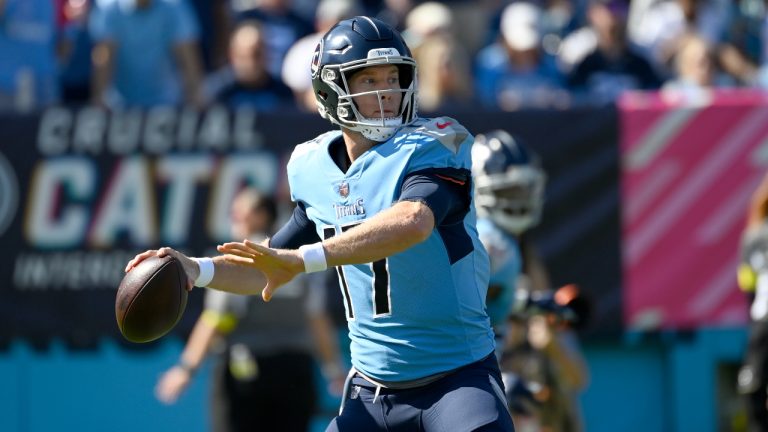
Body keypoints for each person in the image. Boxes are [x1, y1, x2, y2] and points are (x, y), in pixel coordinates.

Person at [126, 16, 514, 432]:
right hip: (371, 391)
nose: (387, 93)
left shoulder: (434, 144)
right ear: (331, 90)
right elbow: (268, 264)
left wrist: (306, 259)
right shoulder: (313, 168)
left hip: (456, 380)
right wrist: (193, 270)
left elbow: (413, 222)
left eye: (394, 77)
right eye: (368, 81)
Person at [155, 188, 345, 432]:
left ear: (261, 215)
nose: (233, 217)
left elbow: (216, 319)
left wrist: (186, 368)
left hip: (245, 374)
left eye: (239, 212)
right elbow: (317, 318)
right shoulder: (299, 255)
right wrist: (333, 369)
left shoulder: (239, 261)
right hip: (295, 373)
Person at [472, 130, 589, 432]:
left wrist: (549, 344)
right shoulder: (468, 254)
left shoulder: (522, 256)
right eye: (510, 192)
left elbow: (579, 377)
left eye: (523, 191)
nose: (519, 202)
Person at [736, 172, 768, 432]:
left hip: (761, 330)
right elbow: (747, 282)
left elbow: (747, 283)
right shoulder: (756, 238)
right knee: (753, 388)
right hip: (762, 330)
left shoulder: (754, 236)